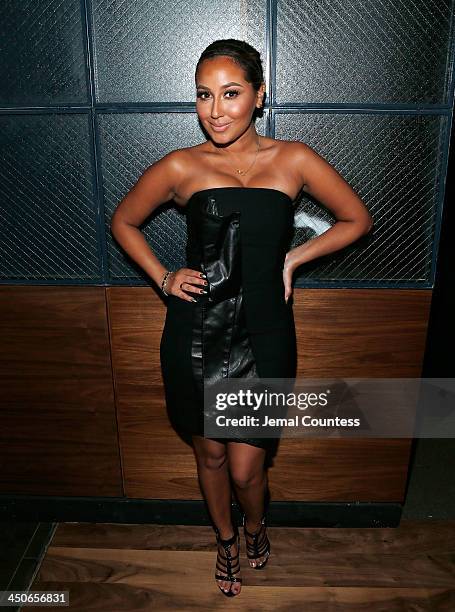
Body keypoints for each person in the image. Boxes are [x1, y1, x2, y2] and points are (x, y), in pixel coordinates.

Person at [110, 38, 373, 597]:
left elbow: (355, 218)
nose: (215, 109)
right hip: (195, 333)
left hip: (265, 333)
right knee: (209, 453)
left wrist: (295, 257)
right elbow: (124, 221)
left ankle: (256, 525)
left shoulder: (294, 159)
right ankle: (226, 541)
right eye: (204, 96)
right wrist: (163, 277)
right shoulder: (183, 165)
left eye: (231, 94)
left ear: (259, 96)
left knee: (247, 469)